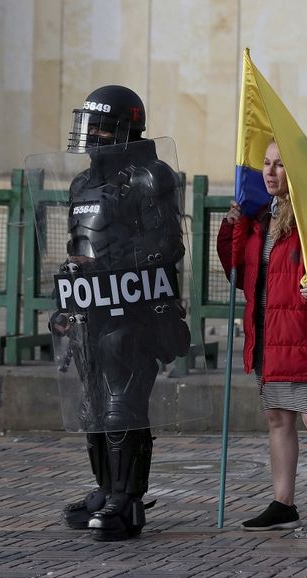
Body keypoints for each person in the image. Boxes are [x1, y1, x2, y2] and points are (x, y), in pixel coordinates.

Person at [49, 85, 190, 541]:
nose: (90, 135)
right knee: (92, 407)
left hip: (134, 313)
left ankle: (127, 500)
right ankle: (102, 489)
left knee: (119, 408)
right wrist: (67, 296)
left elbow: (168, 245)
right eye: (87, 125)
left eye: (100, 127)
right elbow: (79, 244)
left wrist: (107, 264)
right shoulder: (82, 183)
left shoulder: (150, 177)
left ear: (124, 129)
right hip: (90, 311)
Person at [217, 140, 307, 536]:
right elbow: (237, 271)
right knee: (277, 418)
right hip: (267, 335)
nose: (269, 172)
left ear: (295, 170)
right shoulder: (258, 217)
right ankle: (283, 503)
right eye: (266, 164)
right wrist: (231, 227)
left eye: (279, 165)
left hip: (301, 335)